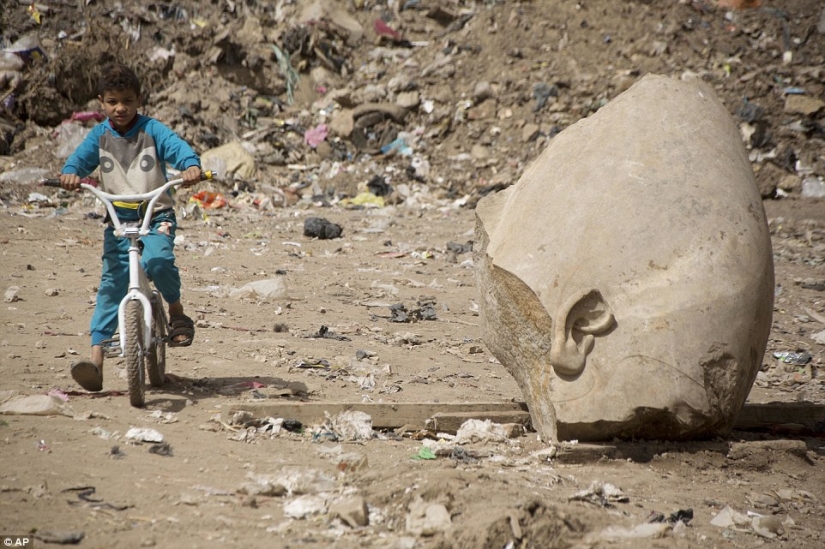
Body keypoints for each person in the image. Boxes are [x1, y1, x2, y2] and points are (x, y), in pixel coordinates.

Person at [60, 62, 202, 392]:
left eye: (127, 100)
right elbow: (78, 160)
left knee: (159, 262)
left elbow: (178, 148)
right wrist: (70, 173)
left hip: (156, 214)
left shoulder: (153, 130)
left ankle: (176, 312)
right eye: (112, 102)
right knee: (112, 285)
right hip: (118, 221)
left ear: (139, 100)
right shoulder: (99, 136)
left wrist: (190, 166)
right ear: (101, 103)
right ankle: (96, 360)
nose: (120, 108)